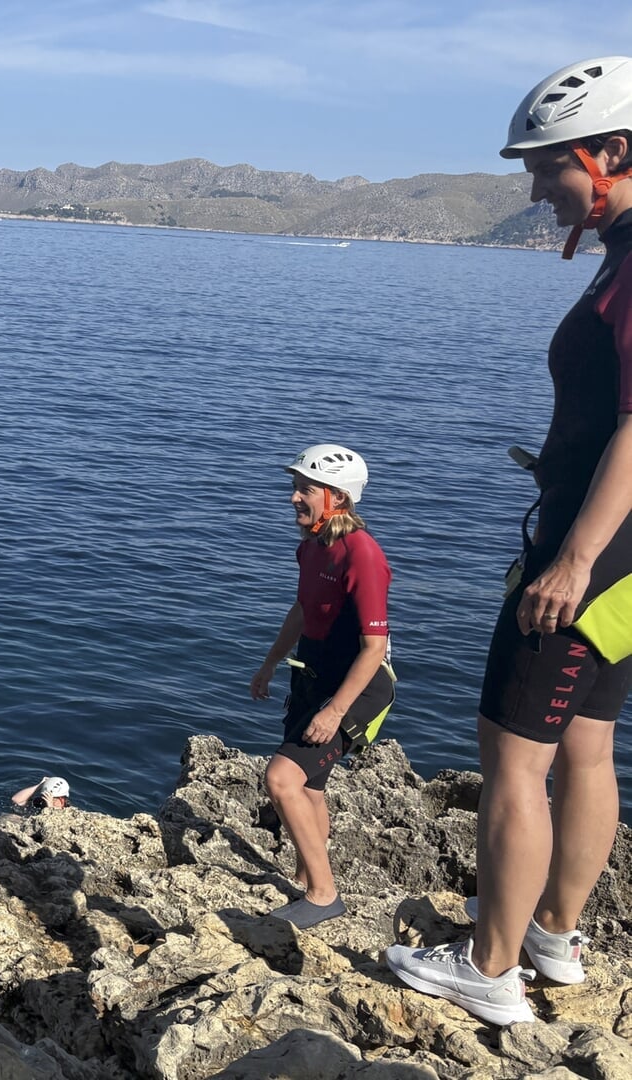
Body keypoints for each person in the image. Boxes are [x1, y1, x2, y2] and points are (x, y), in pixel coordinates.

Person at [387, 56, 632, 1026]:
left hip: (593, 553)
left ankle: (489, 969)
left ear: (612, 151)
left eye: (547, 166)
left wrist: (571, 557)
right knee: (586, 742)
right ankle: (555, 939)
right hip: (622, 557)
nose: (535, 188)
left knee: (513, 755)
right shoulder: (620, 252)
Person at [249, 445, 395, 931]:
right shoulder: (311, 546)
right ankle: (308, 872)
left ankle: (323, 894)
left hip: (357, 688)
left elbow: (374, 647)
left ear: (338, 497)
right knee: (309, 785)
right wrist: (269, 664)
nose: (293, 497)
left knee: (282, 779)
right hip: (310, 675)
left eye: (305, 489)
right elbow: (302, 610)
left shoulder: (362, 554)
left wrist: (334, 711)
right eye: (295, 487)